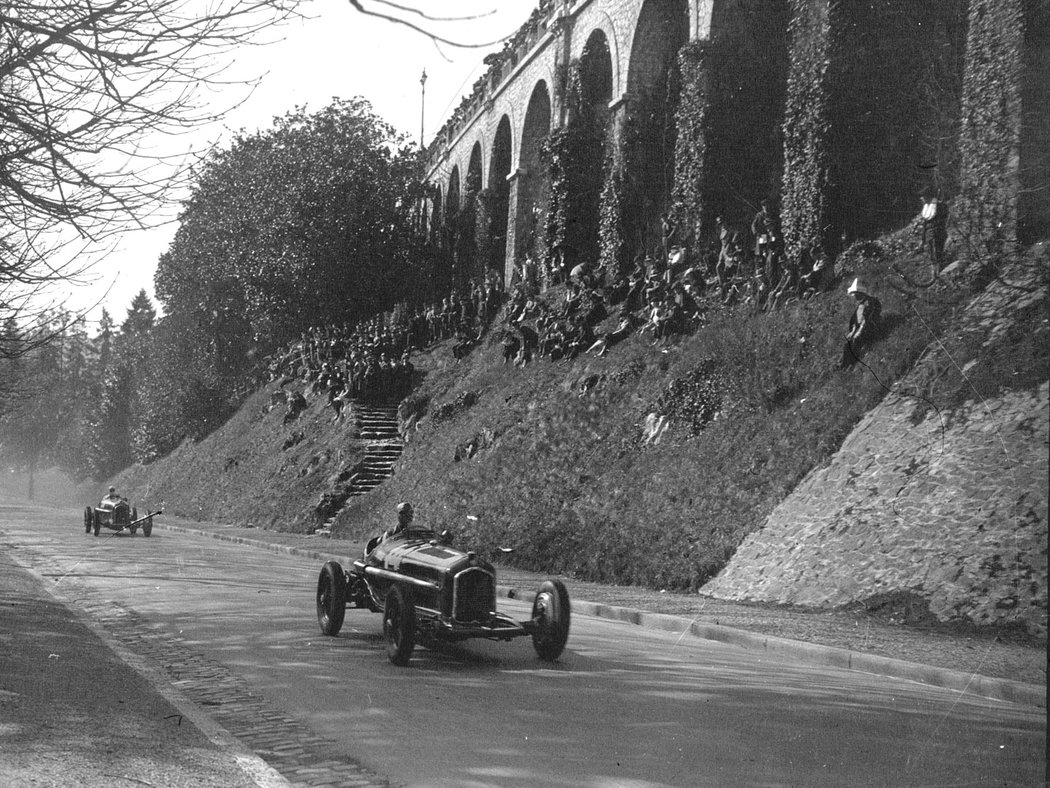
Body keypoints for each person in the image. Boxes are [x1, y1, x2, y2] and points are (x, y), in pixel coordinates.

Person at [840, 278, 882, 368]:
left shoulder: (870, 302)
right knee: (847, 343)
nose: (854, 296)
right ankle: (843, 365)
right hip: (860, 328)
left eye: (855, 294)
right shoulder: (860, 305)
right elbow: (856, 321)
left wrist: (859, 332)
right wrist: (853, 331)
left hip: (870, 328)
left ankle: (852, 363)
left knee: (856, 341)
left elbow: (867, 319)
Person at [919, 188, 949, 268]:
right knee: (932, 255)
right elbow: (925, 225)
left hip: (938, 233)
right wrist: (923, 239)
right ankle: (935, 274)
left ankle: (939, 272)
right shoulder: (927, 207)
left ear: (928, 196)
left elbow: (945, 219)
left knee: (938, 253)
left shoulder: (940, 206)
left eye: (924, 196)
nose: (922, 198)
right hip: (930, 235)